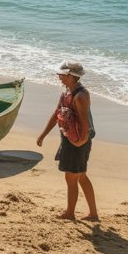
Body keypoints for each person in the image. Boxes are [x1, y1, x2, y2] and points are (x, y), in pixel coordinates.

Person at [37, 60, 98, 222]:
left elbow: (86, 124)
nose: (59, 76)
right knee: (81, 177)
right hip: (69, 139)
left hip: (78, 142)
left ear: (71, 76)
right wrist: (43, 134)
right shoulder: (66, 92)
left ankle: (70, 213)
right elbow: (57, 113)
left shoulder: (80, 96)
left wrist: (81, 142)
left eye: (62, 74)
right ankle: (93, 214)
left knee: (71, 178)